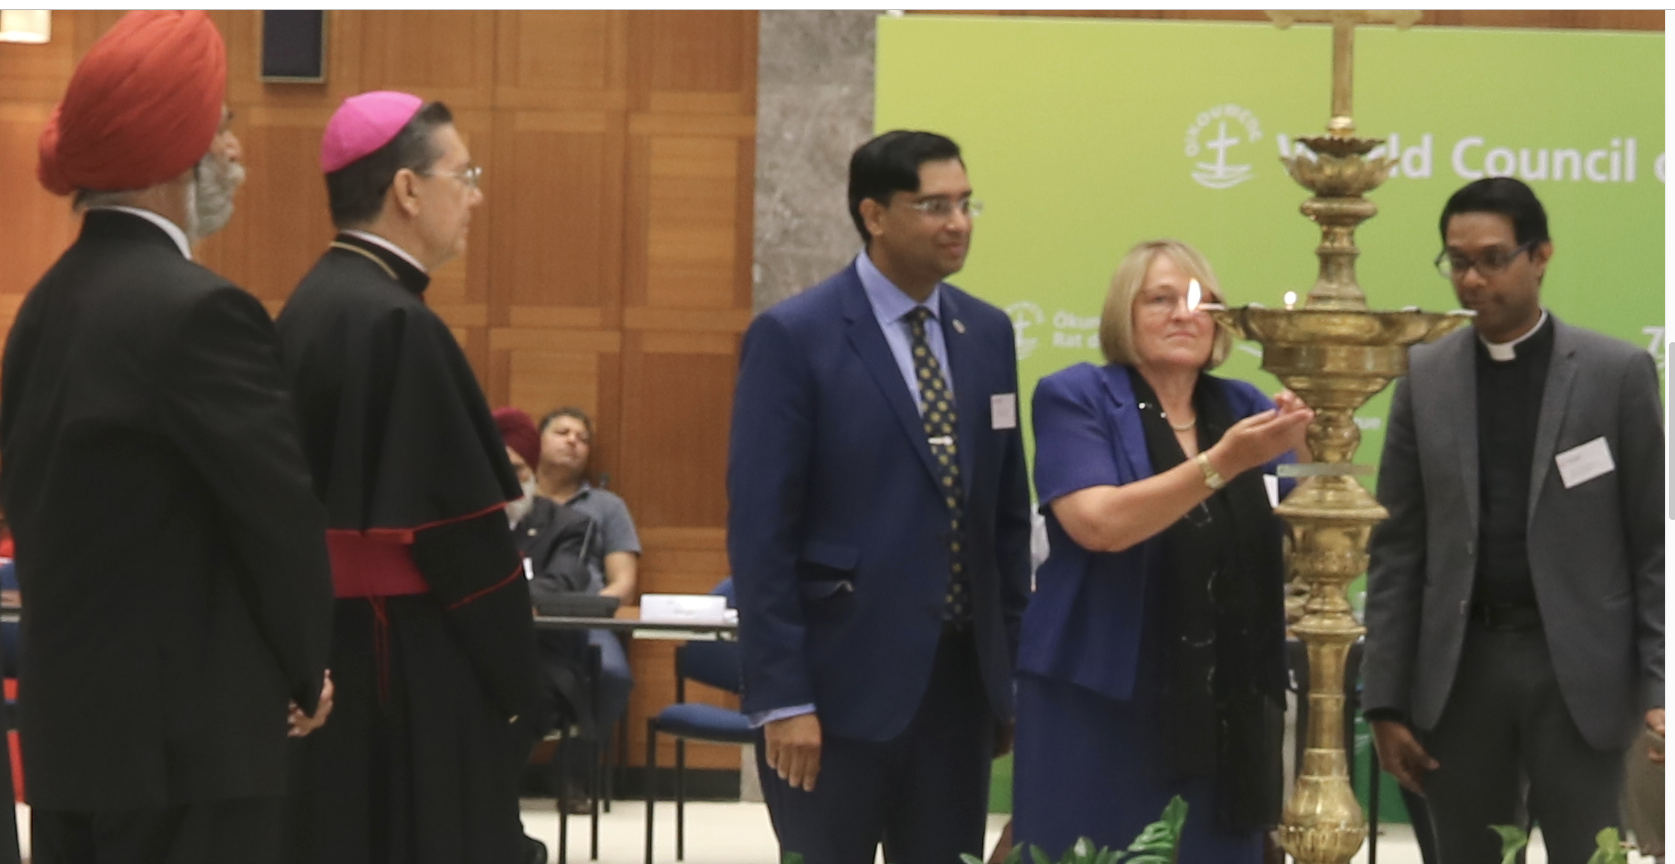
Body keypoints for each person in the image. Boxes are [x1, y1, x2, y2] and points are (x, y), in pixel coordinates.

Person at [0, 11, 335, 863]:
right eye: (221, 124)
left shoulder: (42, 307)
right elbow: (275, 517)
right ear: (172, 149)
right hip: (192, 747)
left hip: (75, 738)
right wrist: (306, 670)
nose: (234, 148)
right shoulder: (202, 311)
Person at [727, 129, 1033, 864]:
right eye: (934, 205)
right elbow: (762, 532)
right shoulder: (794, 335)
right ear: (874, 214)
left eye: (965, 203)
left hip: (957, 691)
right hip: (835, 694)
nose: (958, 223)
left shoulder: (987, 333)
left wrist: (1007, 680)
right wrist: (784, 698)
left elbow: (1004, 521)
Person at [1363, 176, 1664, 864]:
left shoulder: (1614, 373)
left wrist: (1660, 684)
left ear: (1540, 256)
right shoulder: (1424, 377)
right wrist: (1383, 703)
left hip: (1581, 677)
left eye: (1493, 260)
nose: (1472, 280)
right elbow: (1398, 549)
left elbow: (1653, 545)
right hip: (1460, 676)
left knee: (1589, 854)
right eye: (1457, 262)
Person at [276, 90, 538, 864]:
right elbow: (464, 546)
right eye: (465, 175)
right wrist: (521, 685)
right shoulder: (397, 322)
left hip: (331, 651)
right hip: (408, 663)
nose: (476, 196)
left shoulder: (314, 301)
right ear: (407, 189)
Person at [1010, 240, 1310, 861]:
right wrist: (1221, 463)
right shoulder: (1077, 395)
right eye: (1161, 299)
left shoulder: (1246, 407)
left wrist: (1313, 438)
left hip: (1224, 692)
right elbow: (1099, 525)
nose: (1184, 314)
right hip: (1100, 692)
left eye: (1202, 301)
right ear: (1125, 313)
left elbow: (1306, 531)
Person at [531, 407, 638, 746]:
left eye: (583, 438)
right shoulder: (515, 500)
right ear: (537, 441)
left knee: (613, 676)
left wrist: (588, 609)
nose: (573, 442)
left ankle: (575, 769)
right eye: (562, 433)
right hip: (523, 614)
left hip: (587, 620)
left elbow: (624, 583)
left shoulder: (607, 506)